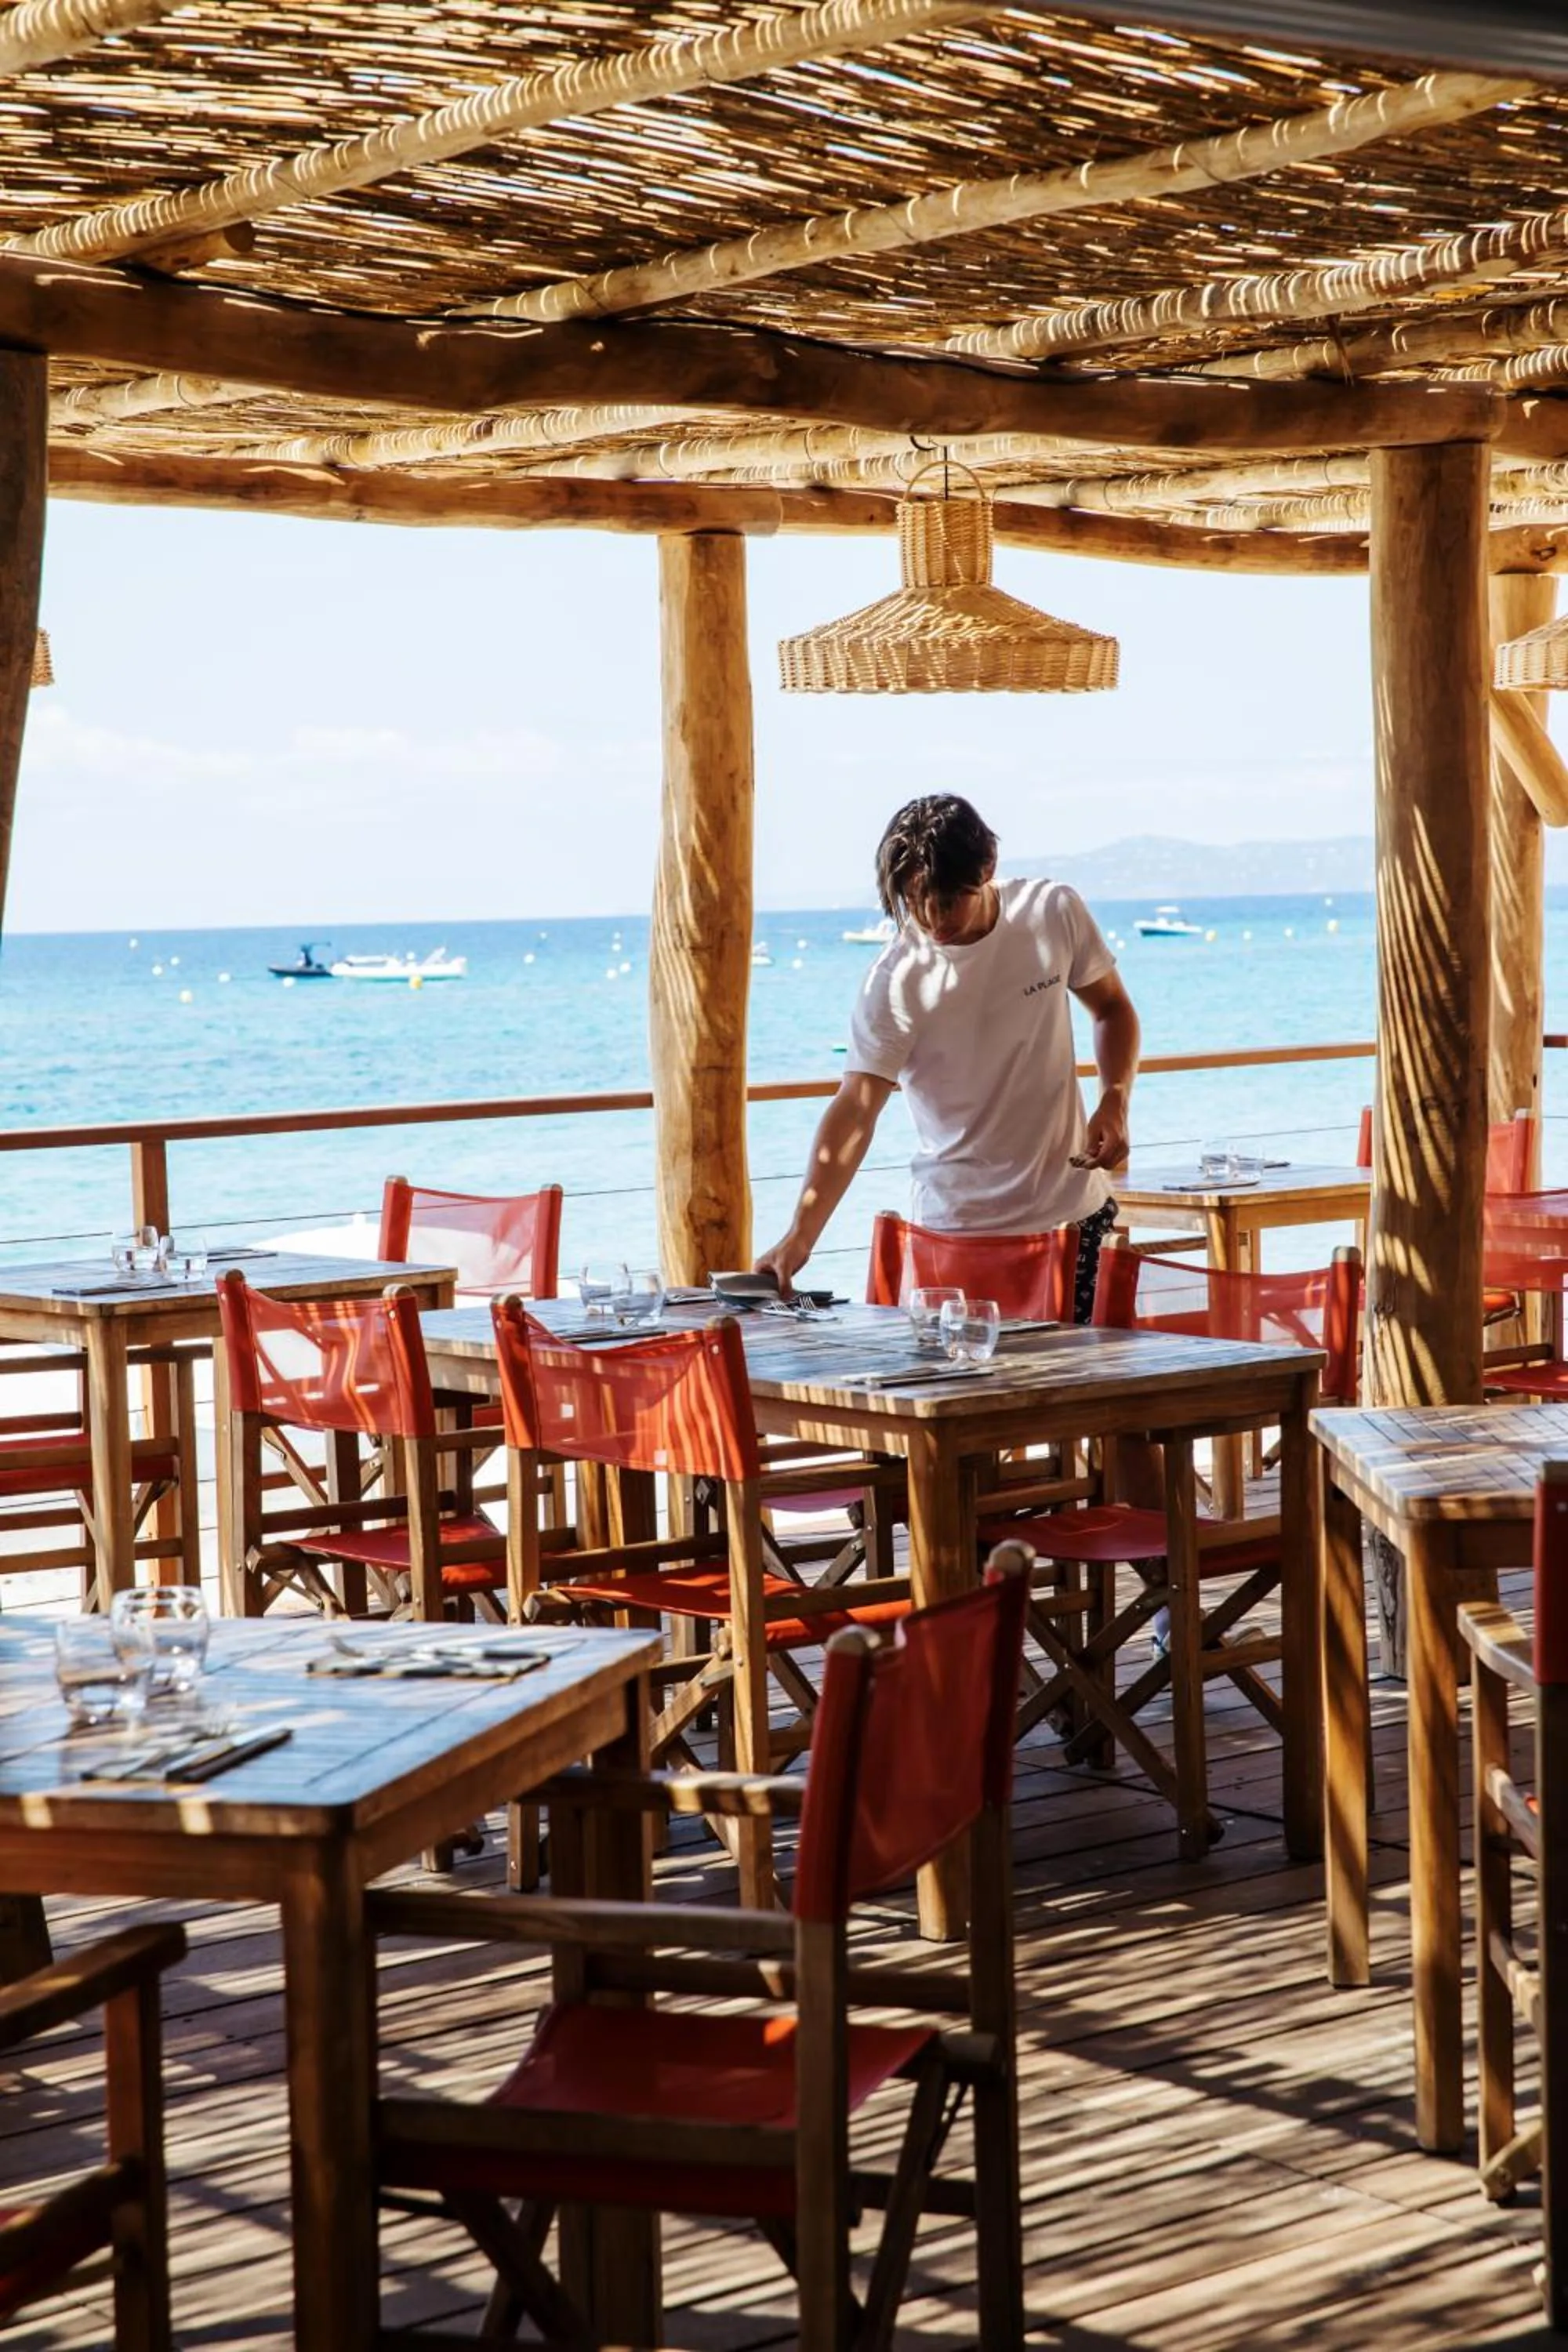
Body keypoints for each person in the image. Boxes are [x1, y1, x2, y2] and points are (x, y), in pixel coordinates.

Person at [756, 793, 1140, 1317]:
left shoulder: (1052, 912)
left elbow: (1113, 1009)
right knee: (960, 1391)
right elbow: (856, 1108)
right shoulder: (895, 981)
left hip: (1075, 1218)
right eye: (916, 900)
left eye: (947, 898)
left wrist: (1114, 1100)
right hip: (956, 1236)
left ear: (987, 869)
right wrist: (800, 1236)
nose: (933, 918)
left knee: (1090, 1391)